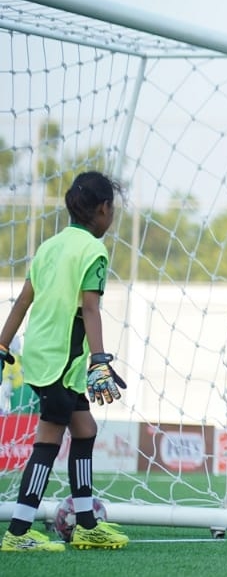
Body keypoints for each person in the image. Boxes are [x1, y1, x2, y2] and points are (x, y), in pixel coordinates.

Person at [0, 171, 130, 551]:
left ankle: (87, 524)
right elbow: (90, 309)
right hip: (62, 359)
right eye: (112, 210)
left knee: (85, 429)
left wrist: (3, 344)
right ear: (103, 209)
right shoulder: (94, 251)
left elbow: (24, 299)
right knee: (49, 439)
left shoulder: (50, 247)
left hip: (43, 355)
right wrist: (100, 360)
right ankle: (18, 533)